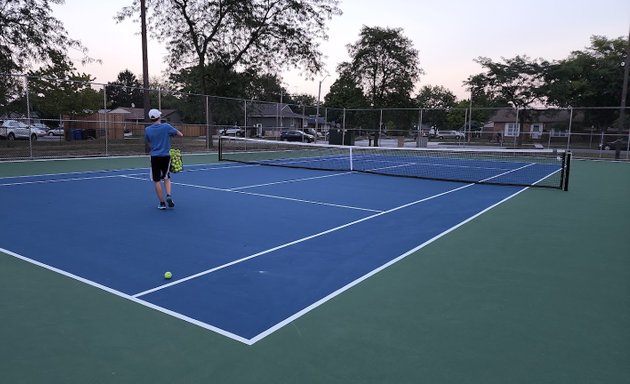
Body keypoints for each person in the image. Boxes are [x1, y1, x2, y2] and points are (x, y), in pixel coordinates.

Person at [144, 109, 183, 210]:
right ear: (159, 117)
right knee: (166, 177)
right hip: (166, 156)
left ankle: (162, 203)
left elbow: (148, 142)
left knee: (156, 180)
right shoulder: (166, 127)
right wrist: (171, 133)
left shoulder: (147, 129)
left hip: (154, 157)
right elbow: (180, 134)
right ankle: (169, 195)